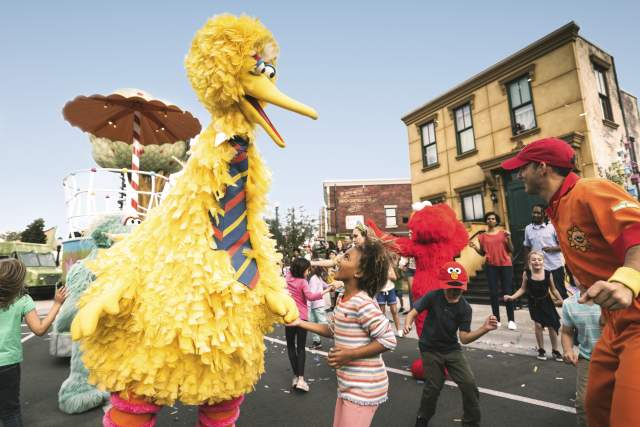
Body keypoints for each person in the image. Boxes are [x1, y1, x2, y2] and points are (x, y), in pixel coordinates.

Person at [502, 136, 640, 427]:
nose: (518, 174)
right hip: (615, 325)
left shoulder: (590, 190)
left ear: (542, 168)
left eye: (522, 167)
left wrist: (627, 281)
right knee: (594, 408)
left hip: (637, 321)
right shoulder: (558, 208)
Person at [287, 238, 397, 427]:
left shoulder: (362, 303)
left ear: (359, 271)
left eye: (345, 257)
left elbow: (389, 340)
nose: (338, 260)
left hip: (364, 388)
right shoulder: (343, 299)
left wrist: (350, 354)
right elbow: (333, 330)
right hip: (348, 386)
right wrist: (299, 323)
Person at [403, 261, 498, 427]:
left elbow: (465, 338)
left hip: (451, 349)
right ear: (443, 285)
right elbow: (413, 312)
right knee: (434, 386)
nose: (455, 291)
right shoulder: (433, 296)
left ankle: (471, 422)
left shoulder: (465, 308)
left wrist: (484, 328)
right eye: (451, 287)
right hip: (429, 348)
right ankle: (422, 418)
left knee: (469, 384)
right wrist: (407, 323)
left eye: (459, 287)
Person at [0, 259, 68, 426]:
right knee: (10, 411)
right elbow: (39, 329)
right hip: (8, 363)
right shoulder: (23, 300)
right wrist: (57, 304)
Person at [504, 251, 564, 361]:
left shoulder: (548, 273)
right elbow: (523, 288)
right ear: (529, 261)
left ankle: (555, 350)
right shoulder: (527, 273)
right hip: (534, 303)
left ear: (543, 261)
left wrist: (561, 300)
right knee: (538, 325)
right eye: (534, 259)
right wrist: (512, 297)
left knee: (552, 325)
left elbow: (553, 289)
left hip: (547, 302)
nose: (537, 262)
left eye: (539, 259)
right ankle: (541, 349)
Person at [560, 277, 603, 427]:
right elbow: (566, 332)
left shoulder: (613, 299)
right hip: (587, 358)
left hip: (619, 359)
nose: (583, 275)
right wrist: (567, 350)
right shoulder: (569, 304)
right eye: (578, 271)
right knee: (583, 404)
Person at [285, 257, 331, 392]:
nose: (308, 272)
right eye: (307, 269)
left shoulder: (288, 277)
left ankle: (295, 376)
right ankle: (300, 379)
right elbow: (310, 297)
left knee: (290, 347)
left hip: (289, 317)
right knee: (300, 348)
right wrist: (327, 290)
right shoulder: (303, 282)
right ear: (302, 270)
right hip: (302, 318)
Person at [468, 212, 517, 330]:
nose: (491, 220)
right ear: (486, 221)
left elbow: (511, 249)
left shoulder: (503, 233)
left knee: (507, 293)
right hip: (491, 266)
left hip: (505, 265)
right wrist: (475, 248)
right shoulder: (482, 237)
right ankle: (497, 319)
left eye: (493, 219)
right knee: (493, 293)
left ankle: (511, 320)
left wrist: (509, 239)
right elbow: (483, 253)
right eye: (489, 219)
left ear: (496, 221)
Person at [523, 204, 568, 299]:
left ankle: (564, 311)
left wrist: (552, 249)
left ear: (545, 214)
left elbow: (564, 245)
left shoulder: (552, 227)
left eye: (538, 213)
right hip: (538, 267)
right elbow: (527, 246)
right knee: (540, 294)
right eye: (534, 212)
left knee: (560, 291)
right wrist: (527, 264)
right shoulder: (528, 229)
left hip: (554, 265)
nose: (535, 215)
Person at [307, 265, 331, 349]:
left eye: (312, 267)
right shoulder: (318, 277)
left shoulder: (314, 278)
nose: (310, 268)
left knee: (322, 323)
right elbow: (326, 286)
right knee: (314, 324)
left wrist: (308, 306)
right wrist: (330, 286)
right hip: (317, 304)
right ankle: (317, 342)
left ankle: (339, 336)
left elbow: (311, 294)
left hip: (316, 304)